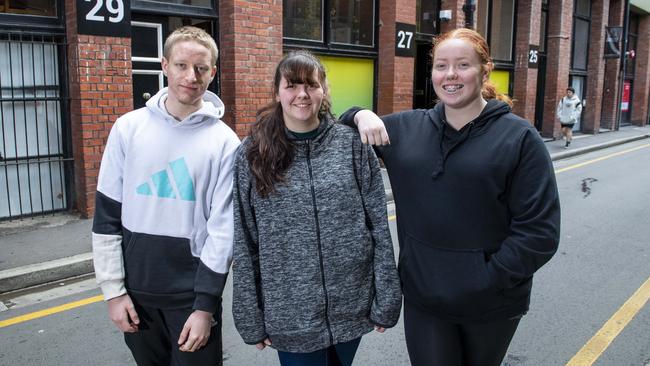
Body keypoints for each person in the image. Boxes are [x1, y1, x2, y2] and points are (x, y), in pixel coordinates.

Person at [339, 28, 560, 366]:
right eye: (441, 66)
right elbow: (339, 133)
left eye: (463, 65)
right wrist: (359, 113)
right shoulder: (406, 129)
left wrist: (487, 279)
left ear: (485, 71)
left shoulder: (519, 139)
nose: (450, 75)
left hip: (491, 302)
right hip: (425, 298)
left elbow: (539, 232)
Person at [231, 50, 402, 366]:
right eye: (292, 85)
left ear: (323, 90)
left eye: (311, 85)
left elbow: (378, 223)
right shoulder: (253, 153)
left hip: (352, 303)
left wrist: (387, 296)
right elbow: (244, 238)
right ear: (277, 92)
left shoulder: (351, 145)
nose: (302, 94)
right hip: (291, 314)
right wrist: (248, 314)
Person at [92, 26, 240, 365]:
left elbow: (223, 232)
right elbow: (106, 217)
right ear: (164, 65)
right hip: (136, 297)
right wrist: (113, 293)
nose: (191, 76)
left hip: (191, 301)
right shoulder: (128, 129)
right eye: (181, 65)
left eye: (201, 68)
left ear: (213, 73)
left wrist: (205, 306)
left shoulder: (225, 142)